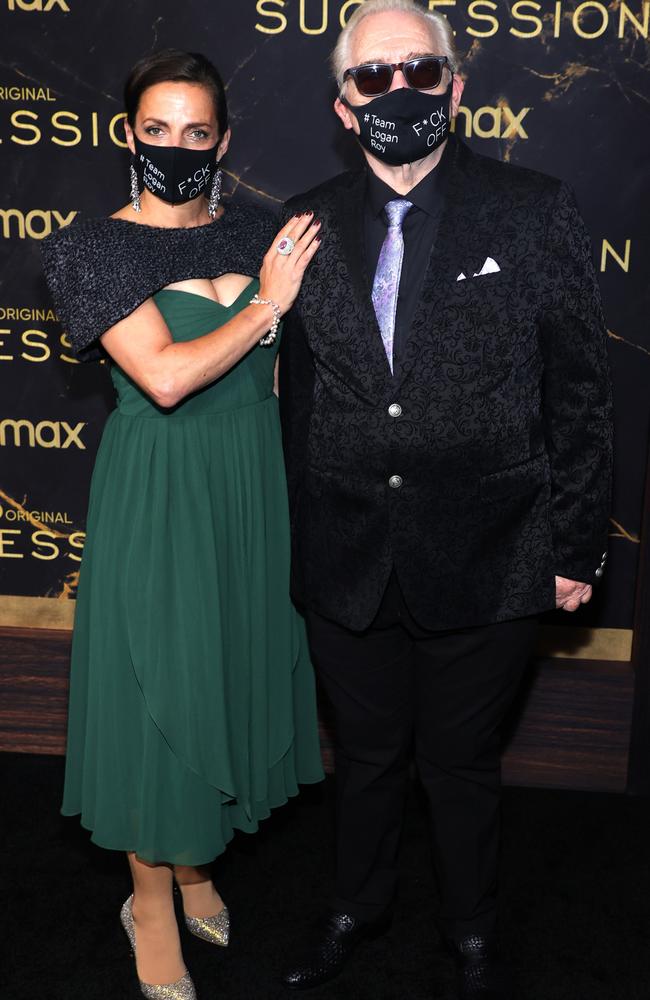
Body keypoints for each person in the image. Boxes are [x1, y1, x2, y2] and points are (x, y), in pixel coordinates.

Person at [278, 1, 613, 997]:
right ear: (342, 105)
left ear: (455, 88)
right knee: (369, 758)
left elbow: (580, 392)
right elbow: (295, 393)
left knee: (461, 764)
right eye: (371, 77)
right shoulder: (300, 222)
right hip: (345, 551)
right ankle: (356, 906)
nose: (397, 92)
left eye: (418, 72)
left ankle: (470, 935)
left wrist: (574, 546)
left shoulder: (533, 208)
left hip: (493, 547)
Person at [41, 49, 323, 1000]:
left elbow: (283, 380)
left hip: (250, 480)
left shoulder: (257, 228)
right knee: (158, 682)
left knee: (227, 667)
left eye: (196, 132)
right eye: (156, 131)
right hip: (163, 486)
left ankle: (196, 859)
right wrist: (270, 305)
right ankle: (149, 900)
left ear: (223, 141)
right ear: (127, 135)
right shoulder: (91, 247)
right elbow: (161, 377)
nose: (176, 148)